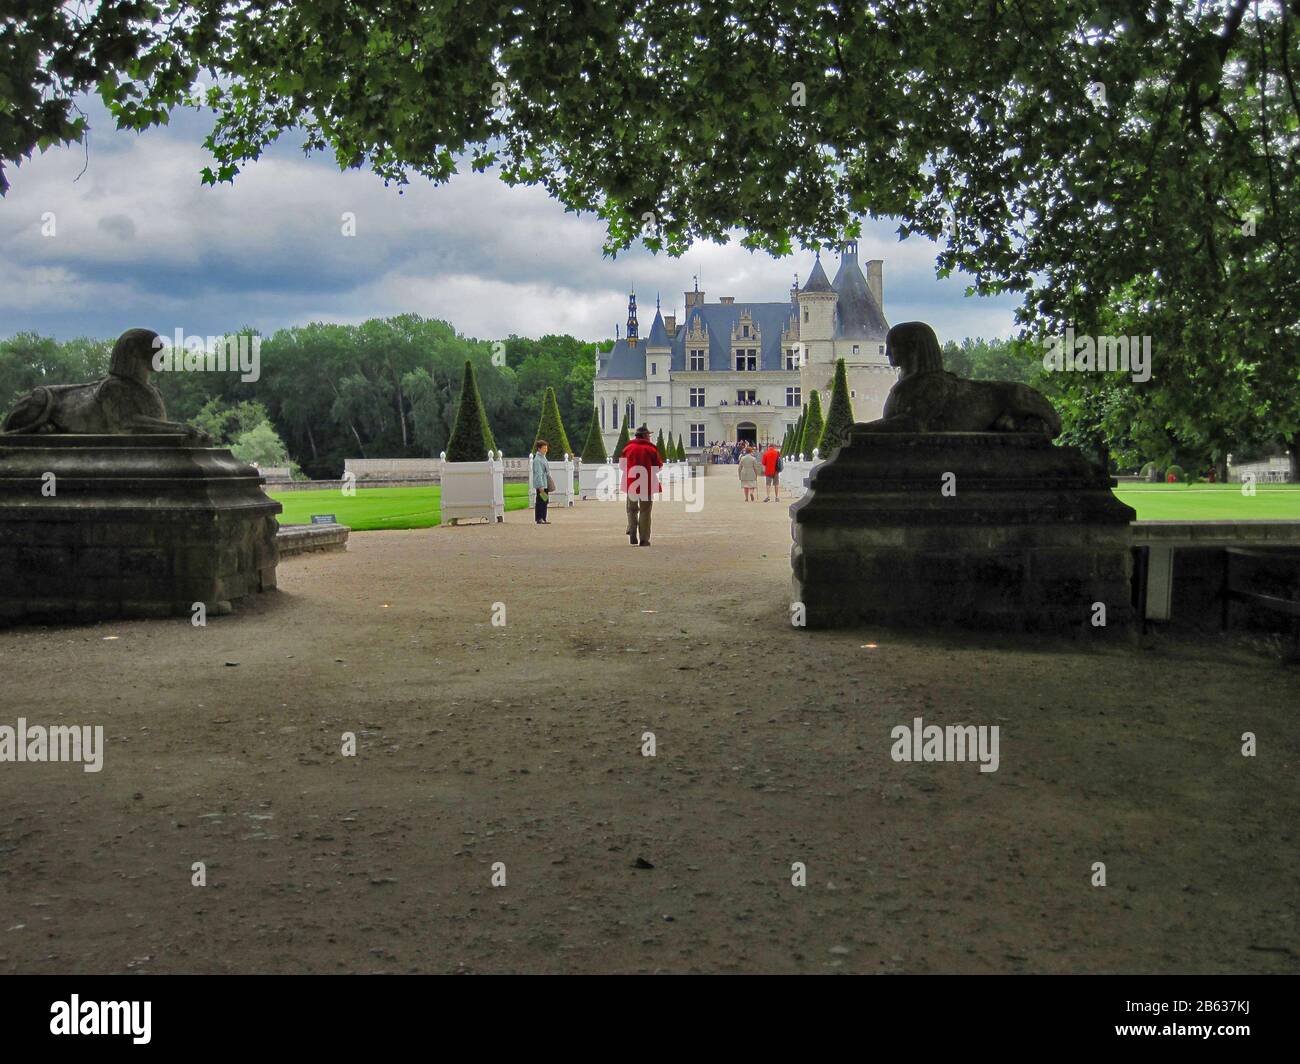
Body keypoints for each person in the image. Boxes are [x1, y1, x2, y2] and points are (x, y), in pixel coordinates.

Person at [621, 424, 662, 545]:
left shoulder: (627, 448)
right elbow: (658, 466)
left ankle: (632, 530)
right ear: (644, 436)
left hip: (631, 483)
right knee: (645, 511)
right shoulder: (651, 449)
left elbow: (622, 466)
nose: (649, 437)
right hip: (646, 484)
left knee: (631, 509)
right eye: (648, 435)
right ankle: (644, 539)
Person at [532, 440, 551, 524]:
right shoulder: (537, 460)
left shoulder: (543, 457)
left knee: (545, 500)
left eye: (546, 448)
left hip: (545, 483)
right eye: (544, 448)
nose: (546, 450)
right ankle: (539, 518)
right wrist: (540, 486)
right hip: (541, 484)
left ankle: (543, 517)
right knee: (541, 501)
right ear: (539, 449)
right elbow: (538, 473)